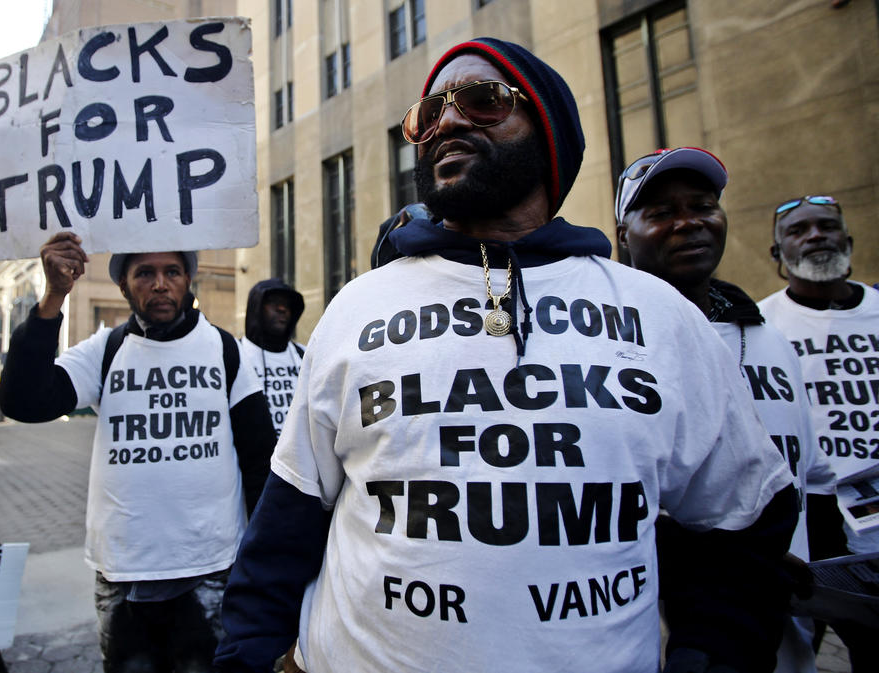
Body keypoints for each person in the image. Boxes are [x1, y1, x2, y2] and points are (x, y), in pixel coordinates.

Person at [214, 38, 798, 673]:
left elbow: (744, 517)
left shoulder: (661, 316)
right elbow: (287, 520)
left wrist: (707, 654)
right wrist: (249, 655)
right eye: (430, 113)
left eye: (484, 101)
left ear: (548, 133)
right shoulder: (357, 309)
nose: (451, 121)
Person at [0, 234, 276, 673]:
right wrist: (53, 297)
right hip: (123, 575)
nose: (160, 284)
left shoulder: (225, 351)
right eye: (145, 273)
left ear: (189, 280)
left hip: (210, 569)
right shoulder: (105, 351)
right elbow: (23, 401)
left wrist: (263, 562)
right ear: (125, 287)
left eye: (172, 272)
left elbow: (261, 458)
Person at [616, 147, 842, 673]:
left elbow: (813, 473)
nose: (688, 222)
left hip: (793, 637)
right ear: (624, 235)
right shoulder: (609, 345)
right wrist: (743, 559)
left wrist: (829, 580)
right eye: (661, 213)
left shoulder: (771, 338)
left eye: (702, 205)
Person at [758, 194, 879, 672]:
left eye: (827, 226)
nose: (815, 236)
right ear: (777, 255)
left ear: (847, 240)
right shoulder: (760, 326)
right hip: (814, 523)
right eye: (799, 230)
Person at [240, 280, 305, 438]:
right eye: (273, 303)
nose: (282, 309)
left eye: (287, 305)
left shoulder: (303, 354)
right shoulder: (237, 354)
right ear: (256, 307)